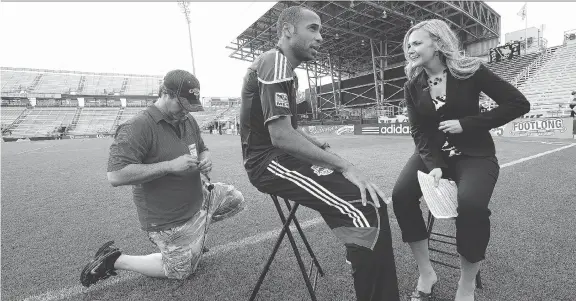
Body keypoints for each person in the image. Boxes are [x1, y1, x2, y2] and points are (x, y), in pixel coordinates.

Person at [239, 6, 399, 301]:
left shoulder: (288, 72)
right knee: (365, 208)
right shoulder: (274, 61)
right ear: (287, 31)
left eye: (320, 30)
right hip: (268, 163)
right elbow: (280, 136)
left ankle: (361, 256)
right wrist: (344, 165)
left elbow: (292, 129)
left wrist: (317, 145)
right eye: (312, 28)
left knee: (371, 202)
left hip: (283, 156)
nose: (321, 37)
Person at [391, 19, 530, 301]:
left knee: (471, 207)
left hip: (475, 154)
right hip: (433, 155)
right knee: (401, 195)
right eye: (408, 44)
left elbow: (518, 103)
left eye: (417, 42)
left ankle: (465, 285)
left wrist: (467, 123)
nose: (410, 48)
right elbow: (418, 131)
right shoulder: (412, 84)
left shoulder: (471, 71)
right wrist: (434, 166)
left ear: (438, 43)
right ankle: (426, 272)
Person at [80, 70, 245, 287]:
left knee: (236, 199)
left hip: (200, 198)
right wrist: (169, 166)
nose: (186, 112)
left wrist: (206, 159)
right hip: (168, 219)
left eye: (190, 107)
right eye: (182, 105)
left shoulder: (188, 121)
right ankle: (115, 260)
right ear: (165, 93)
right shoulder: (138, 126)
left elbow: (203, 149)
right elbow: (115, 175)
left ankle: (195, 237)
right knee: (181, 272)